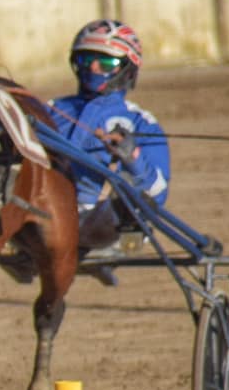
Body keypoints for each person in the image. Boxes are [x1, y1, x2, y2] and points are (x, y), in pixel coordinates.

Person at [48, 19, 169, 254]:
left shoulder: (141, 123)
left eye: (106, 62)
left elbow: (158, 193)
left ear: (126, 67)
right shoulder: (51, 110)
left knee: (133, 195)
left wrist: (132, 157)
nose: (93, 68)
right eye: (85, 60)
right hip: (47, 214)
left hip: (103, 225)